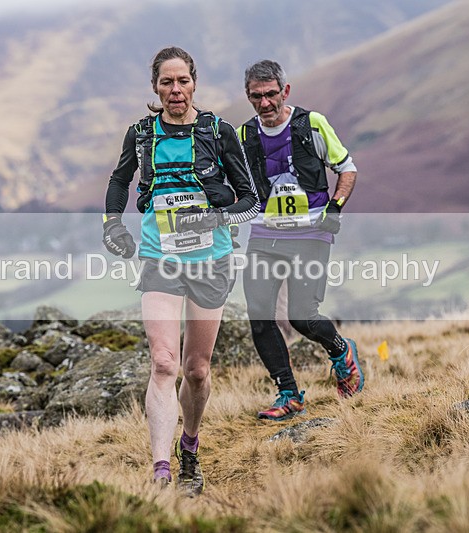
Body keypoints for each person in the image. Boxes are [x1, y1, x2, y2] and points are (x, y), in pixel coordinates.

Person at [102, 47, 259, 493]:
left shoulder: (217, 131)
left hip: (212, 260)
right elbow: (119, 180)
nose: (175, 90)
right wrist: (112, 224)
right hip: (160, 260)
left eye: (183, 81)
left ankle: (189, 445)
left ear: (194, 83)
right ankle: (161, 471)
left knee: (196, 370)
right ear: (155, 87)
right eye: (167, 82)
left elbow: (250, 200)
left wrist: (215, 218)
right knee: (164, 363)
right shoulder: (141, 135)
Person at [237, 59, 364, 422]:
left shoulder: (312, 124)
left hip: (311, 234)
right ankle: (289, 394)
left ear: (285, 91)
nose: (265, 103)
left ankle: (341, 351)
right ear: (248, 96)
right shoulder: (244, 136)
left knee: (302, 317)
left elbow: (347, 168)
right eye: (256, 96)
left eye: (271, 94)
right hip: (264, 235)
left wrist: (336, 206)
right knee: (260, 317)